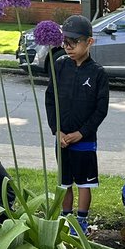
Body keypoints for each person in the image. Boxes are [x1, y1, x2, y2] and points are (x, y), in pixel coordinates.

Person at [44, 14, 109, 235]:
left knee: (84, 183)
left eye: (74, 42)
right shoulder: (60, 65)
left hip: (84, 140)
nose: (68, 47)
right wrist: (57, 130)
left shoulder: (98, 73)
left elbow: (101, 110)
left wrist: (81, 133)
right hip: (61, 139)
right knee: (64, 182)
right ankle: (65, 217)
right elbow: (50, 99)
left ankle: (81, 222)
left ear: (89, 42)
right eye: (65, 42)